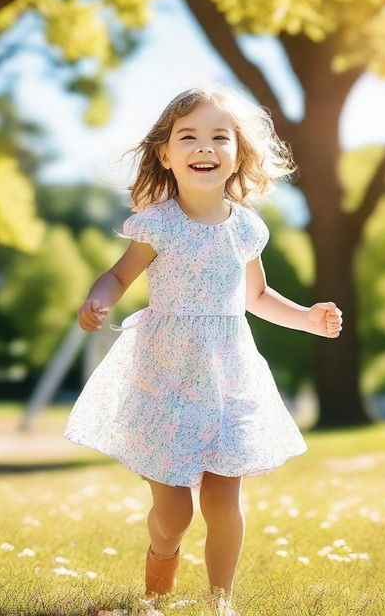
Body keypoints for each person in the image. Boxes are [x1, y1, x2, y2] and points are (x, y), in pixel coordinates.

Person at [63, 83, 343, 616]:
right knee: (173, 515)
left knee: (222, 500)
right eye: (188, 136)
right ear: (166, 155)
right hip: (164, 376)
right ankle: (157, 589)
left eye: (219, 136)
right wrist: (97, 302)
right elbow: (118, 276)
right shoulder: (159, 224)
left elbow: (256, 296)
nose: (204, 146)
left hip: (228, 377)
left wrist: (306, 318)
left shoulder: (246, 229)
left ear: (237, 154)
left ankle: (222, 603)